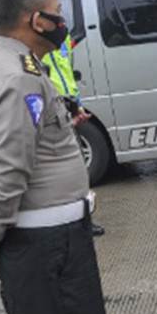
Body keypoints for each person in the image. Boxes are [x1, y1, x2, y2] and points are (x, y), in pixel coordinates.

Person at [0, 0, 108, 314]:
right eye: (57, 11)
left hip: (46, 241)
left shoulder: (6, 63)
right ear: (36, 20)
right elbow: (10, 168)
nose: (62, 19)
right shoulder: (19, 77)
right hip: (48, 246)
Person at [40, 32, 106, 236]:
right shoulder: (37, 43)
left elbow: (66, 70)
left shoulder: (64, 39)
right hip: (53, 110)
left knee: (77, 169)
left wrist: (77, 105)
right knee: (58, 171)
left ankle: (85, 220)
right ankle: (64, 223)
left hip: (69, 104)